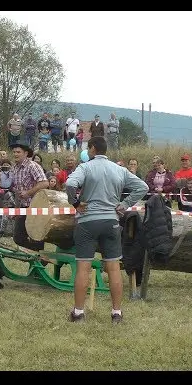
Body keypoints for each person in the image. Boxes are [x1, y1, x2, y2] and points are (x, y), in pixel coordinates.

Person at [65, 136, 148, 324]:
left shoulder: (85, 167)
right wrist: (124, 204)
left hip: (87, 222)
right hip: (111, 220)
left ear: (93, 149)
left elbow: (70, 184)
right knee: (113, 268)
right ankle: (116, 313)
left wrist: (75, 203)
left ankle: (78, 313)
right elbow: (143, 187)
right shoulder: (119, 169)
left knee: (83, 268)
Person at [10, 142, 48, 252]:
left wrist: (28, 193)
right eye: (14, 152)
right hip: (23, 208)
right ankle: (39, 255)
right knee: (17, 238)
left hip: (35, 207)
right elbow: (17, 191)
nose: (15, 154)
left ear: (26, 153)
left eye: (18, 152)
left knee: (36, 238)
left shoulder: (33, 166)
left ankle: (39, 258)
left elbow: (44, 183)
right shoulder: (14, 168)